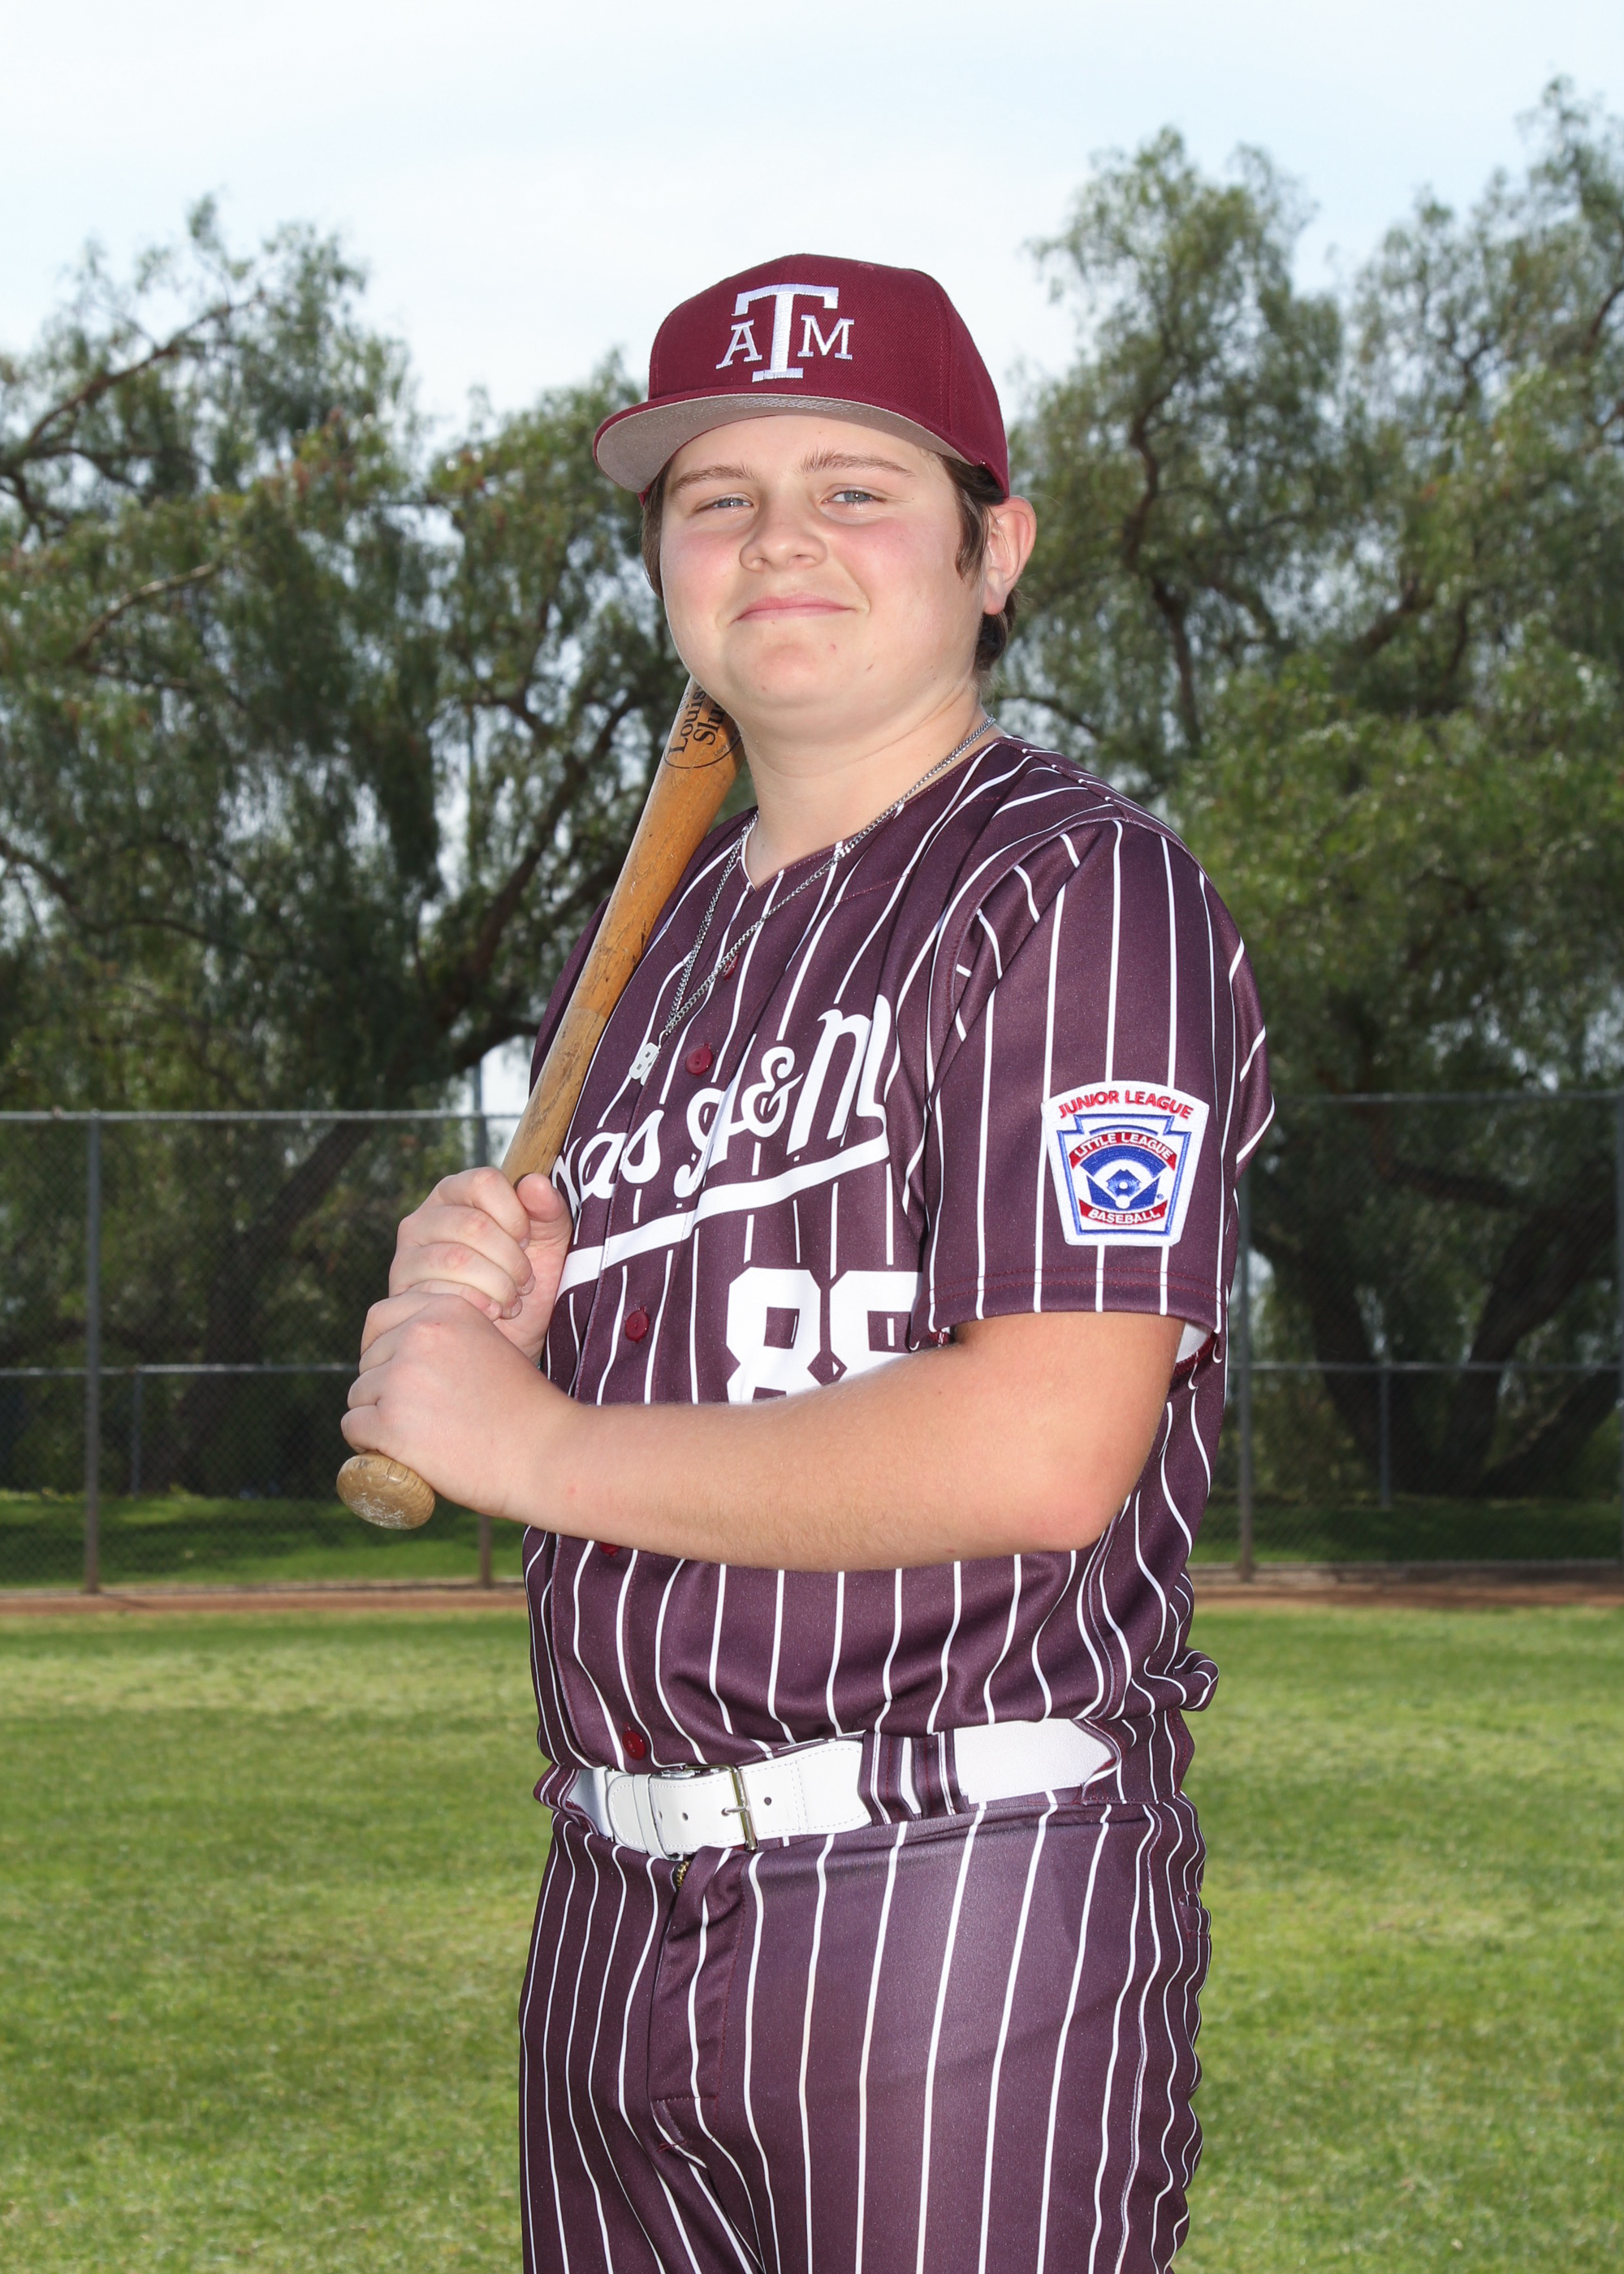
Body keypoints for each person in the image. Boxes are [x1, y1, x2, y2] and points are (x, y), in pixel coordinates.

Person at [343, 253, 1272, 2274]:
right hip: (608, 1889)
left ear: (993, 550)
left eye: (855, 486)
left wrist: (532, 1443)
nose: (779, 537)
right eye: (717, 496)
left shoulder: (1077, 890)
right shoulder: (645, 962)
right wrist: (501, 1305)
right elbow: (661, 1382)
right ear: (663, 568)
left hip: (954, 1885)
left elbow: (1044, 1440)